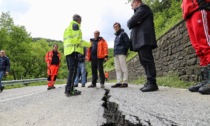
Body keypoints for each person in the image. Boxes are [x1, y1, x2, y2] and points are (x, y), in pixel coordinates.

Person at [127, 0, 158, 92]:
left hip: (144, 39)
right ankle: (149, 82)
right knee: (144, 61)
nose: (131, 6)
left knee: (147, 61)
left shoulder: (143, 8)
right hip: (141, 40)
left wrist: (134, 22)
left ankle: (152, 83)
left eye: (132, 4)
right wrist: (135, 22)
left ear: (137, 2)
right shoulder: (139, 11)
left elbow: (130, 22)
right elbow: (131, 23)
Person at [181, 0, 210, 94]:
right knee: (198, 49)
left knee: (205, 45)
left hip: (199, 8)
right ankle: (205, 80)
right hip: (189, 14)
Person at [63, 14, 91, 97]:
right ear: (78, 20)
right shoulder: (75, 26)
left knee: (72, 71)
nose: (81, 22)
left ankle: (69, 88)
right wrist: (89, 44)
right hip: (72, 51)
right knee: (73, 71)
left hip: (68, 51)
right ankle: (69, 90)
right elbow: (77, 40)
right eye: (81, 20)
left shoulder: (68, 27)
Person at [111, 22, 130, 88]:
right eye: (114, 27)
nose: (115, 28)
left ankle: (125, 82)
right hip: (116, 54)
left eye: (116, 26)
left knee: (123, 67)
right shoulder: (116, 36)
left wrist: (125, 51)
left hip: (122, 52)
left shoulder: (123, 34)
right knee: (117, 68)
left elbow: (127, 43)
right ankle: (118, 82)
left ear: (119, 27)